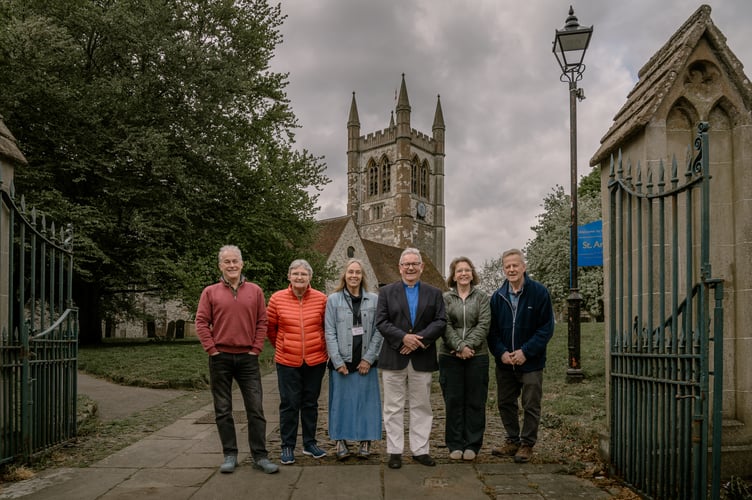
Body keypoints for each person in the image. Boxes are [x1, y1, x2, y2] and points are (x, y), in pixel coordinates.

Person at [195, 245, 279, 474]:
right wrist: (212, 350)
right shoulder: (210, 292)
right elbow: (201, 322)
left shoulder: (255, 291)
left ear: (242, 264)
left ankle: (260, 456)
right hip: (220, 357)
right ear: (220, 266)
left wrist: (256, 348)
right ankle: (230, 455)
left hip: (248, 358)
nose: (231, 265)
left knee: (256, 409)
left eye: (235, 261)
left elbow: (263, 322)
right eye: (227, 262)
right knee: (223, 409)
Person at [376, 247, 447, 469]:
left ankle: (420, 450)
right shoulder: (386, 292)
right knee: (393, 406)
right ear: (399, 267)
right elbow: (381, 321)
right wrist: (403, 338)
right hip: (393, 356)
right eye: (406, 264)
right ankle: (395, 451)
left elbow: (440, 321)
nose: (410, 267)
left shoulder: (434, 293)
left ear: (421, 267)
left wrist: (418, 340)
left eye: (414, 263)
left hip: (422, 357)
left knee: (421, 405)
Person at [487, 248, 555, 464]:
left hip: (531, 361)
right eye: (507, 266)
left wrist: (526, 351)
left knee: (531, 403)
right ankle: (512, 440)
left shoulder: (539, 292)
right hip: (505, 362)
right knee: (505, 402)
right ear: (503, 269)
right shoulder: (497, 297)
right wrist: (502, 353)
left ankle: (527, 444)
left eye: (515, 265)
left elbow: (546, 328)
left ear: (524, 267)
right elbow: (492, 331)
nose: (511, 269)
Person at [267, 259, 328, 465]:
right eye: (296, 274)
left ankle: (310, 443)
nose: (299, 278)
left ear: (310, 277)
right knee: (289, 404)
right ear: (289, 277)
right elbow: (271, 328)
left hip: (315, 359)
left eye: (303, 274)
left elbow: (326, 327)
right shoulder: (277, 299)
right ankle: (287, 445)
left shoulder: (321, 299)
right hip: (287, 360)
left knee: (310, 403)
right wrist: (283, 345)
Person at [324, 259, 384, 461]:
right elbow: (329, 332)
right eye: (350, 272)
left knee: (366, 402)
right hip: (342, 362)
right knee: (341, 403)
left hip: (366, 361)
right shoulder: (333, 300)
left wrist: (369, 358)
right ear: (345, 275)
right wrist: (338, 361)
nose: (354, 276)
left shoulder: (374, 300)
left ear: (362, 276)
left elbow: (379, 331)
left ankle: (365, 440)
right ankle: (340, 440)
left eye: (358, 272)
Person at [439, 256, 491, 461]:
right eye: (459, 270)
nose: (463, 274)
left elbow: (484, 324)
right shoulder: (446, 299)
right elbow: (444, 325)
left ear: (472, 273)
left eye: (467, 270)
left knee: (475, 400)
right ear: (453, 275)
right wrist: (459, 346)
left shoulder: (482, 298)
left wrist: (469, 346)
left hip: (477, 356)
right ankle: (455, 444)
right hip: (449, 356)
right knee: (453, 400)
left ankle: (472, 444)